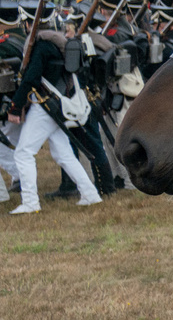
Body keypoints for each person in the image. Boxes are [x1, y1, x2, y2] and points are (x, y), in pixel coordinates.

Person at [8, 25, 105, 214]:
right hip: (56, 105)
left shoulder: (42, 46)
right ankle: (90, 194)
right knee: (64, 154)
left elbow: (31, 78)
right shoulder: (58, 43)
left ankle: (30, 202)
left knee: (23, 153)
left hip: (45, 106)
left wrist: (16, 106)